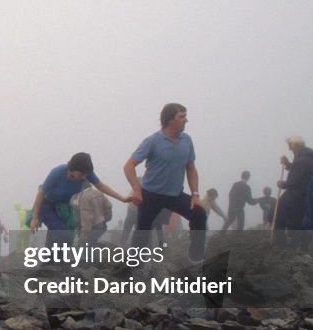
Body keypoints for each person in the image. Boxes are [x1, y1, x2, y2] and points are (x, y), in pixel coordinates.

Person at [123, 103, 208, 262]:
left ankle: (195, 258)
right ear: (170, 120)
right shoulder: (153, 141)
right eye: (181, 117)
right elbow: (129, 166)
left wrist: (195, 194)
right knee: (142, 232)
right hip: (150, 195)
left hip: (175, 195)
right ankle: (132, 268)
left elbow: (190, 168)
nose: (186, 120)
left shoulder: (186, 141)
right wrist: (136, 189)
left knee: (199, 214)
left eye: (185, 116)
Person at [30, 152, 130, 249]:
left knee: (67, 237)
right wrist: (34, 218)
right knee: (60, 232)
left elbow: (101, 186)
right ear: (73, 169)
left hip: (65, 207)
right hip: (47, 205)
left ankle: (57, 261)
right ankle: (48, 262)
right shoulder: (57, 172)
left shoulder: (85, 173)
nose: (84, 177)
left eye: (86, 174)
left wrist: (122, 198)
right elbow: (41, 193)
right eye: (82, 174)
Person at [274, 136, 313, 245]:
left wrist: (282, 184)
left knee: (279, 211)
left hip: (297, 195)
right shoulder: (306, 156)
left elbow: (294, 181)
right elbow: (298, 171)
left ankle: (280, 242)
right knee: (297, 218)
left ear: (296, 145)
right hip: (305, 194)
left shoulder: (302, 159)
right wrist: (288, 164)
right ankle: (297, 242)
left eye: (290, 146)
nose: (289, 149)